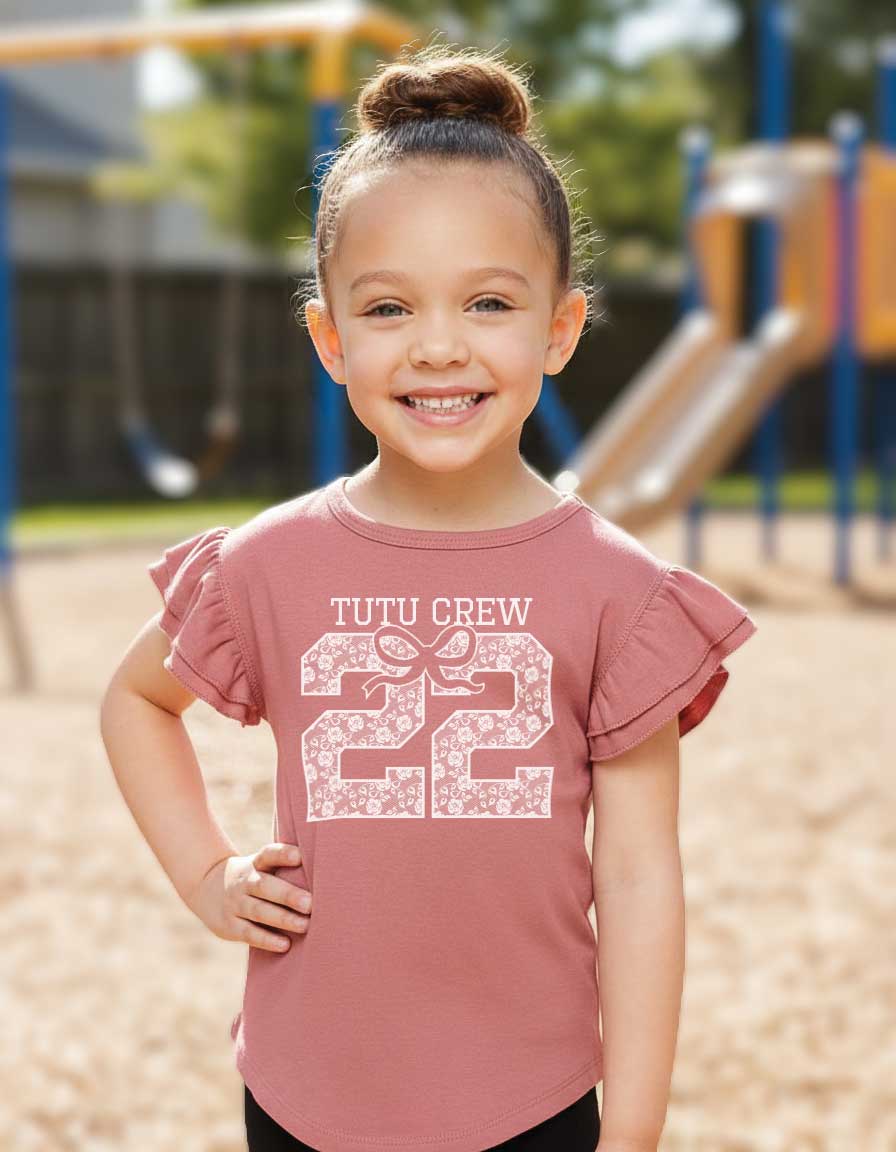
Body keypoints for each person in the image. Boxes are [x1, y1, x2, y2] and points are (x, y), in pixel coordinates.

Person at [99, 41, 758, 1152]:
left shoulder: (616, 592)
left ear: (558, 329)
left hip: (532, 1104)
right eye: (389, 308)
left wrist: (633, 1127)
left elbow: (639, 877)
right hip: (304, 1097)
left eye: (488, 302)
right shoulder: (267, 564)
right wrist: (207, 874)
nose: (438, 347)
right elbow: (136, 701)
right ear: (330, 340)